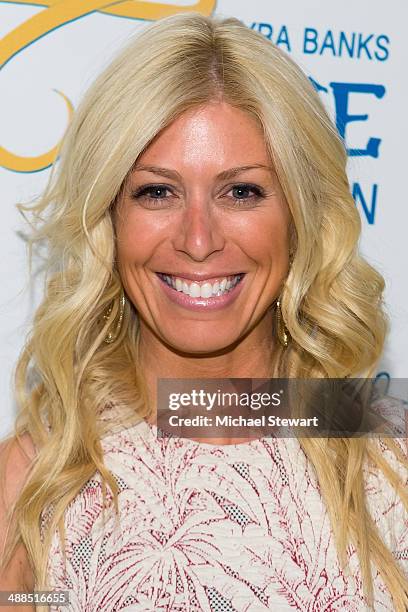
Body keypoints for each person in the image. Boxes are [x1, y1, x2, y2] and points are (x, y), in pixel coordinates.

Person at [0, 11, 407, 612]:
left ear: (300, 218)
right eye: (156, 191)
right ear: (110, 220)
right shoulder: (35, 483)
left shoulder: (388, 456)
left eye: (241, 191)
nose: (197, 239)